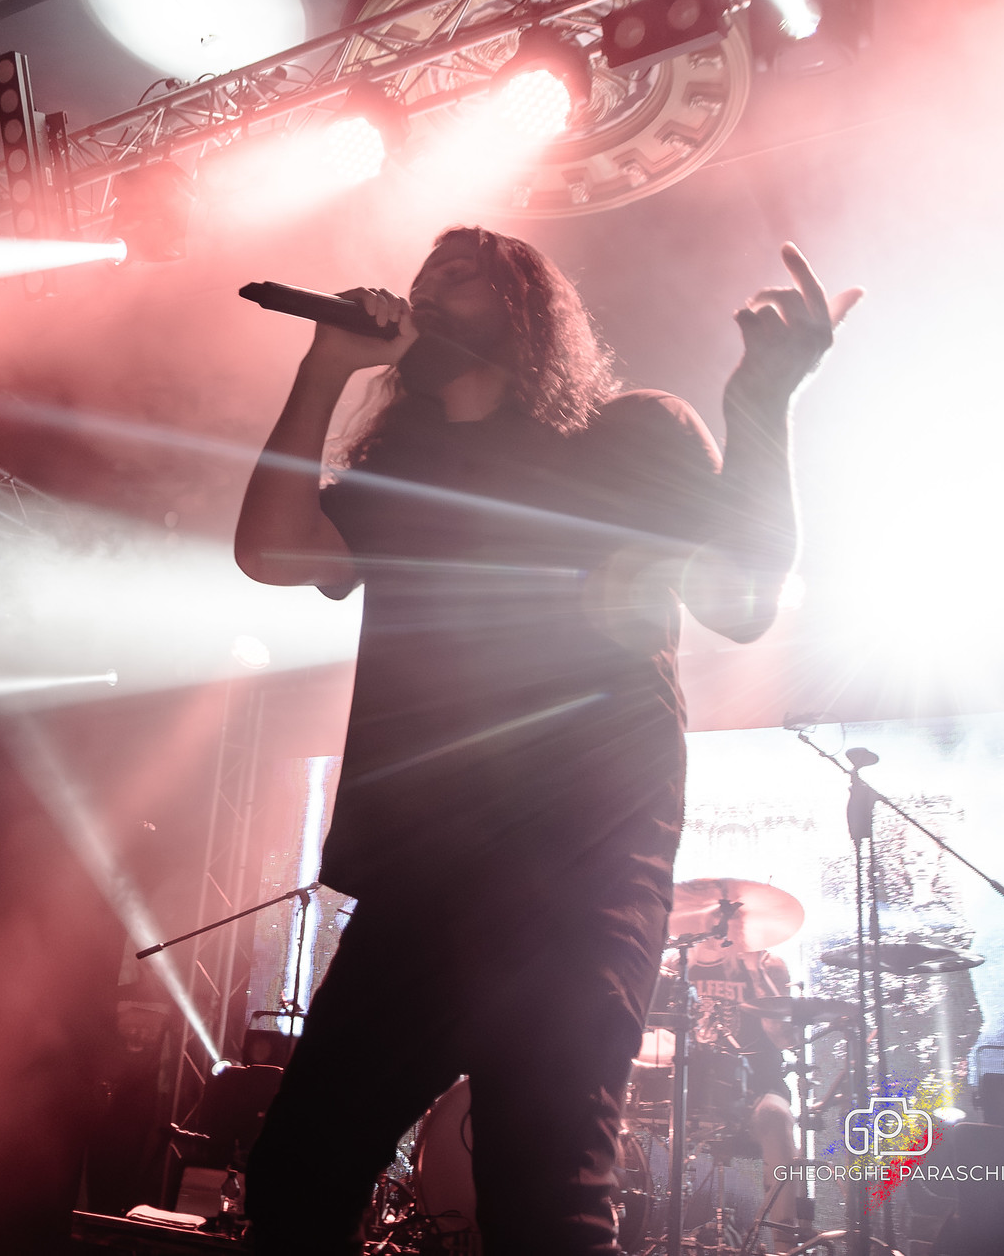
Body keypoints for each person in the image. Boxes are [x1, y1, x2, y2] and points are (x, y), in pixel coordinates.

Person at [232, 228, 859, 1254]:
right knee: (297, 1173)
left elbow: (740, 604)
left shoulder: (628, 431)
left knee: (543, 1197)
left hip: (579, 872)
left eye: (460, 275)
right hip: (423, 877)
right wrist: (325, 365)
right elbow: (267, 549)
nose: (427, 289)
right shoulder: (403, 474)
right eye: (422, 275)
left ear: (528, 308)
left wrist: (761, 400)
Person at [672, 939, 802, 1249]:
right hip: (691, 1091)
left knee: (776, 1116)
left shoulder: (767, 964)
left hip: (755, 1089)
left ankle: (785, 1246)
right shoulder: (677, 964)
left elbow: (788, 1040)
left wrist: (757, 973)